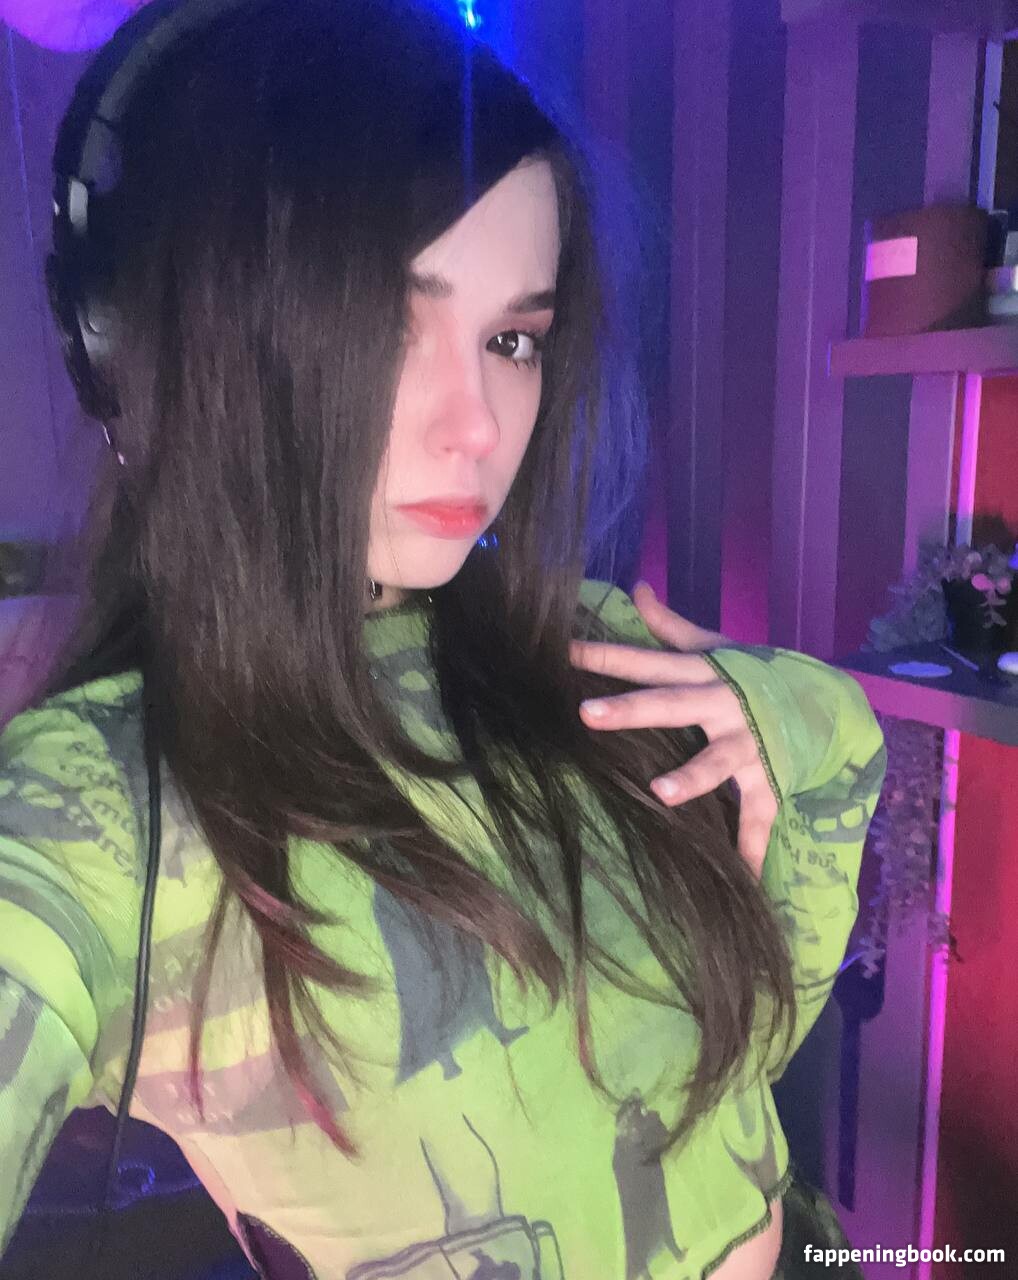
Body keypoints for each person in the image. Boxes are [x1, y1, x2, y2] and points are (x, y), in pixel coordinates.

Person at [0, 1, 886, 1276]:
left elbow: (746, 1054)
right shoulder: (103, 809)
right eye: (387, 326)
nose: (477, 424)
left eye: (512, 338)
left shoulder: (592, 652)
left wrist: (799, 715)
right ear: (154, 346)